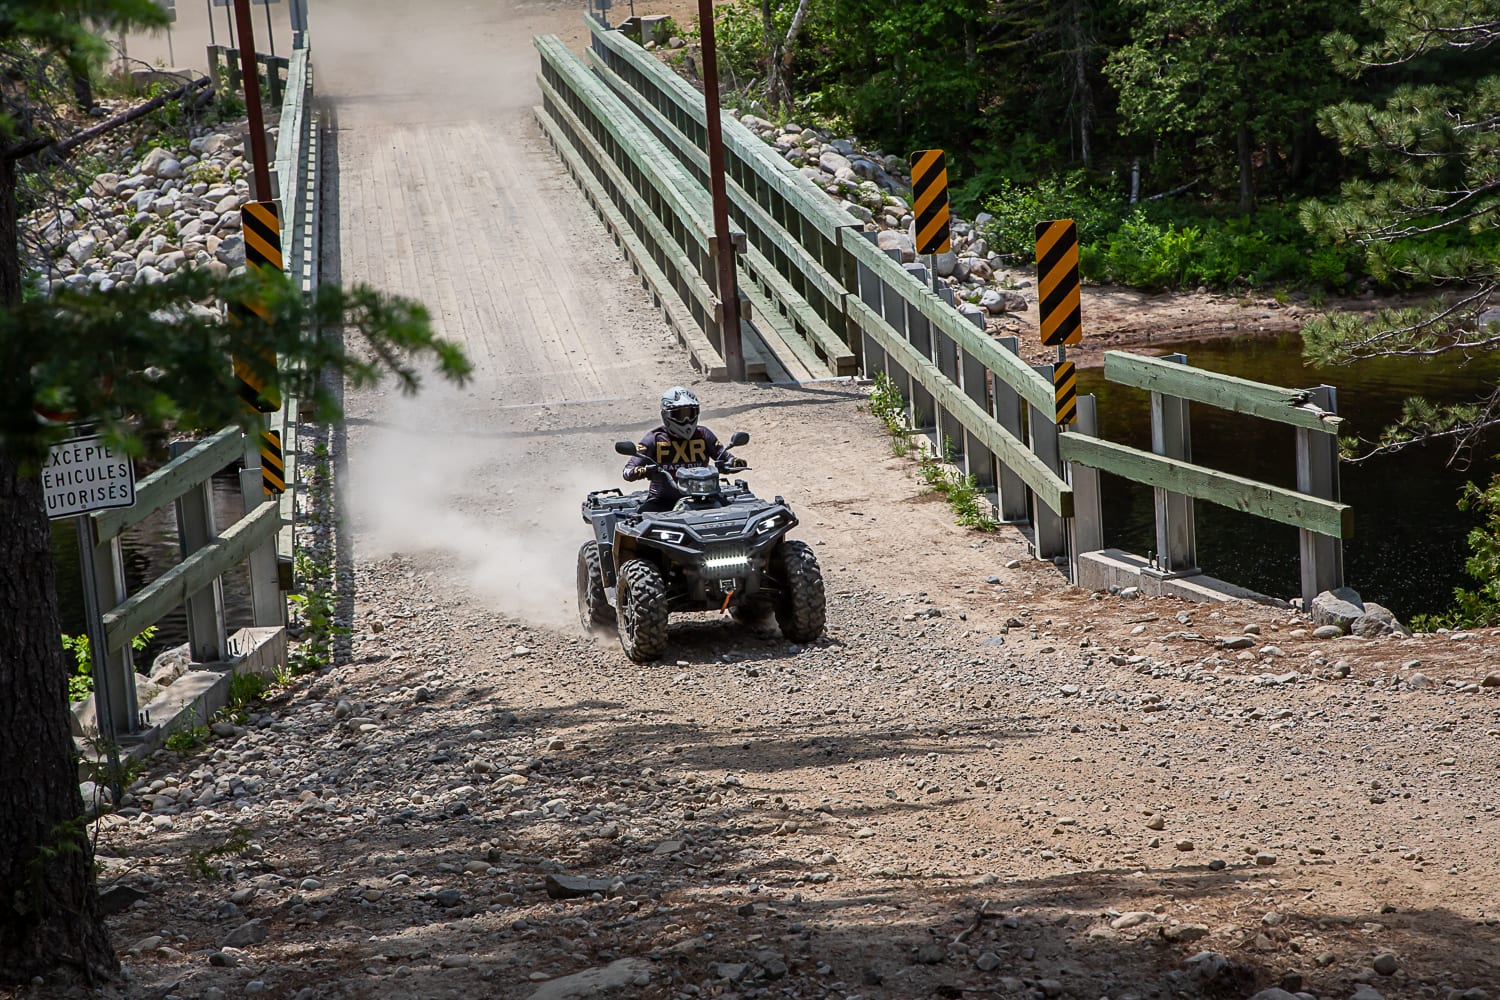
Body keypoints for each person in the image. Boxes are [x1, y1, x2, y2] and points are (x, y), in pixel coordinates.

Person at [623, 387, 740, 512]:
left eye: (690, 413)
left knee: (737, 515)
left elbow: (724, 455)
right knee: (638, 523)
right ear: (666, 415)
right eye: (680, 415)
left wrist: (734, 462)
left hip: (707, 496)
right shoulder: (654, 438)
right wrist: (643, 470)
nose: (686, 420)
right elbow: (627, 471)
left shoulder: (703, 434)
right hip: (663, 501)